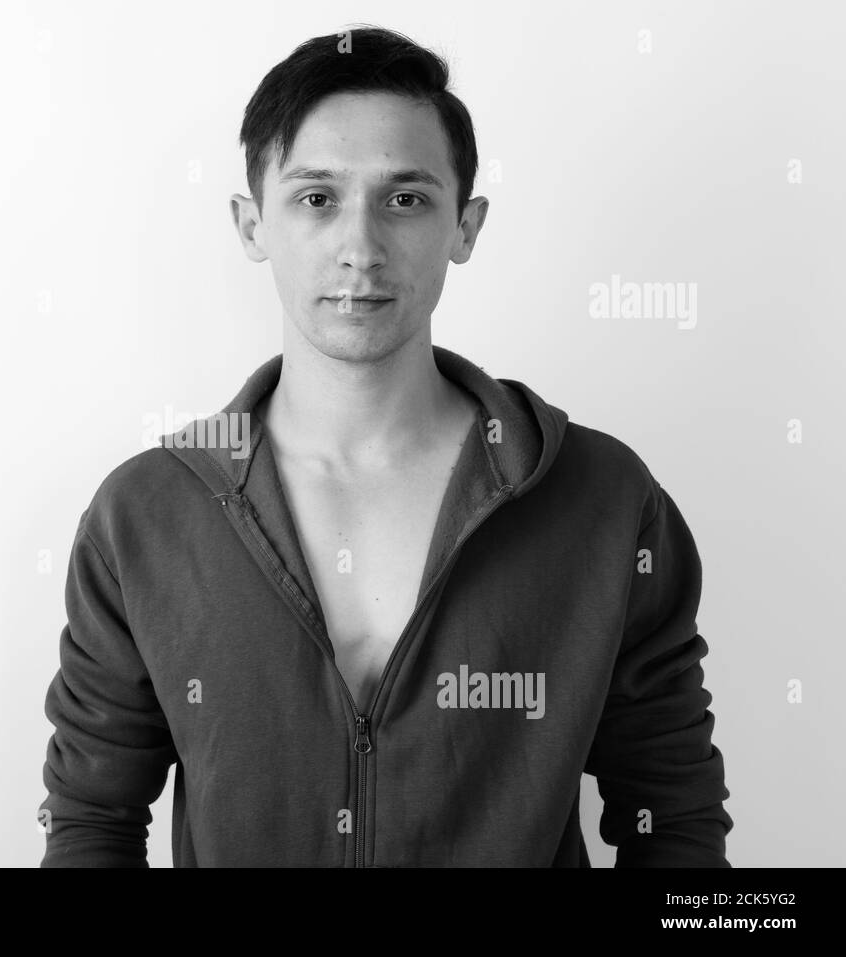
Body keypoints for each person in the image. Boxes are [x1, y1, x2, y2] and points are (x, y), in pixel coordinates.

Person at [37, 24, 733, 867]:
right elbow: (92, 823)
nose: (360, 250)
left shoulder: (603, 497)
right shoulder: (145, 514)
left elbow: (673, 812)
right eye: (316, 198)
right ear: (252, 224)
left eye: (405, 199)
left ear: (464, 227)